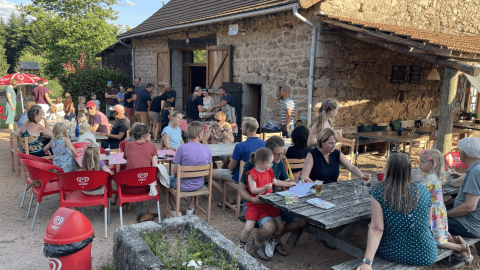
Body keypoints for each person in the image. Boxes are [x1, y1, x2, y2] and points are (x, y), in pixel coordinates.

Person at [357, 153, 438, 270]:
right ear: (409, 170)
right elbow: (428, 223)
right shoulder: (424, 190)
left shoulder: (379, 190)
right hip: (427, 253)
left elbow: (377, 228)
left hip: (392, 252)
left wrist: (367, 262)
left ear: (388, 169)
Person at [238, 136, 307, 259]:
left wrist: (300, 180)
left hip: (272, 203)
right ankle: (258, 242)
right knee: (270, 226)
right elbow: (241, 189)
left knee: (301, 219)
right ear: (268, 152)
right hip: (254, 203)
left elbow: (285, 181)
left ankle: (274, 239)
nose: (279, 157)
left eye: (282, 153)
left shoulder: (278, 163)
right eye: (276, 154)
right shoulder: (253, 164)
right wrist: (253, 199)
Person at [417, 149, 473, 264]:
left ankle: (460, 248)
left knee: (438, 241)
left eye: (422, 162)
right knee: (440, 234)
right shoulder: (434, 176)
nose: (419, 163)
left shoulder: (429, 179)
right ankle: (456, 240)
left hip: (433, 211)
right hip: (438, 209)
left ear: (432, 164)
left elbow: (421, 196)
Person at [159, 121, 212, 216]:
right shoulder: (207, 149)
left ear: (188, 134)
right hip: (199, 185)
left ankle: (175, 208)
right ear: (200, 135)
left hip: (181, 185)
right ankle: (190, 207)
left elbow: (175, 172)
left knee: (162, 179)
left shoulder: (182, 148)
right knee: (196, 175)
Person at [212, 117, 264, 207]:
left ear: (248, 129)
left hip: (240, 177)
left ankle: (228, 199)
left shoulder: (240, 146)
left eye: (242, 127)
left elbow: (231, 167)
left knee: (208, 173)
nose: (240, 128)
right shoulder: (265, 144)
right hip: (259, 177)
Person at [302, 128, 370, 184]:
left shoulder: (336, 153)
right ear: (322, 142)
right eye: (330, 143)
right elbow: (305, 175)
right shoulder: (312, 155)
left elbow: (351, 167)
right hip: (317, 190)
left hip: (334, 189)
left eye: (335, 143)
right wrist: (309, 181)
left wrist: (360, 174)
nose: (334, 146)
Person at [447, 137, 480, 241]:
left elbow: (469, 206)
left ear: (463, 153)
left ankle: (457, 254)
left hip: (469, 225)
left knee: (426, 221)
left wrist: (445, 215)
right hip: (475, 222)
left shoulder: (476, 172)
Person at [123, 123, 158, 197]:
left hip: (129, 184)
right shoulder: (152, 146)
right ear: (143, 135)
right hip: (146, 185)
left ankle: (119, 200)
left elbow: (127, 159)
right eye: (149, 132)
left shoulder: (128, 145)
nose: (150, 134)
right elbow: (155, 167)